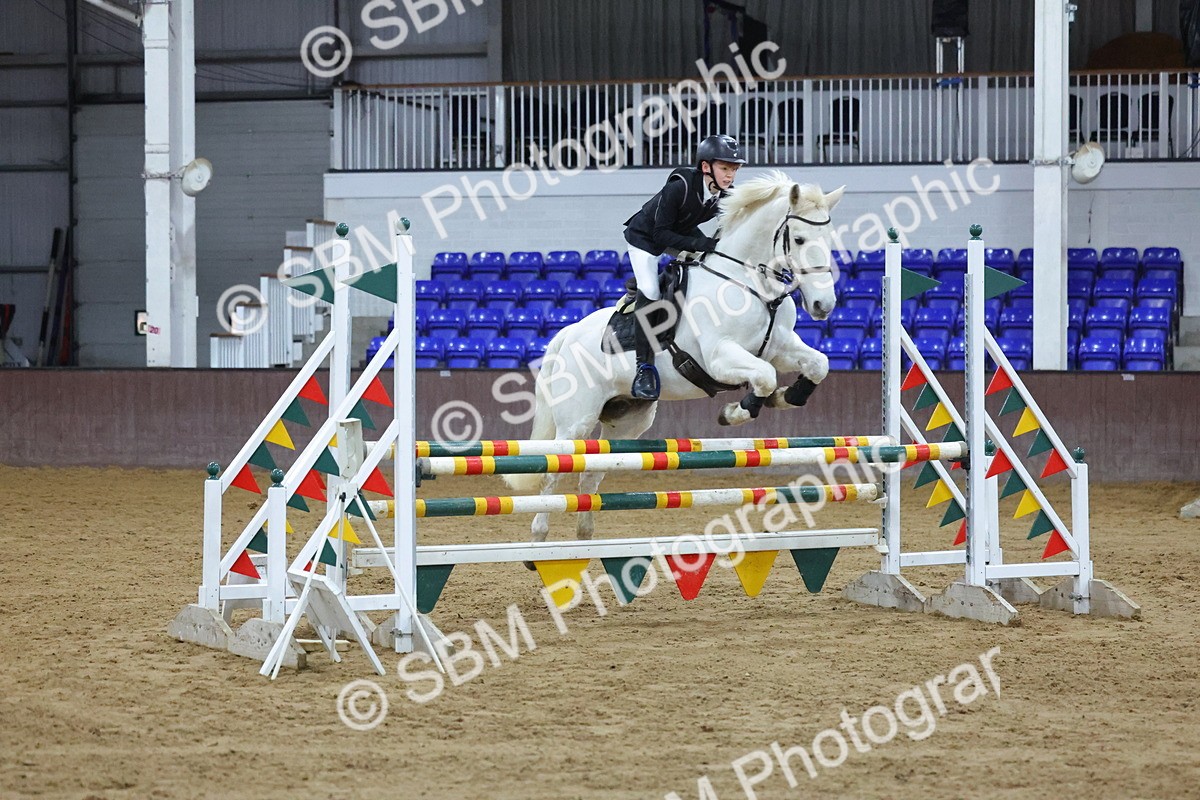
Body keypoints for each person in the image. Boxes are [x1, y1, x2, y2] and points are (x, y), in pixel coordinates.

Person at [621, 134, 746, 400]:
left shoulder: (726, 194)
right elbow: (661, 236)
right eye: (725, 168)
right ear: (705, 167)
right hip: (646, 237)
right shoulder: (679, 187)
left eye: (734, 169)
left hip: (679, 231)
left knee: (710, 264)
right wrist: (704, 244)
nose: (730, 175)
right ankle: (644, 368)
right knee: (651, 291)